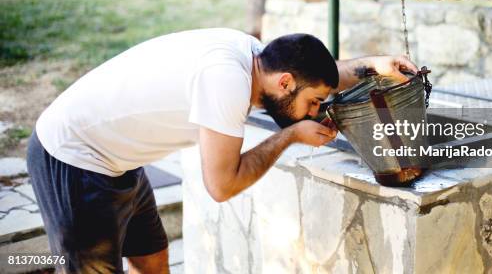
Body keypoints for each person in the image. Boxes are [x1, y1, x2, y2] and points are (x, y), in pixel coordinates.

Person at [27, 28, 418, 274]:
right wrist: (291, 136)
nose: (317, 110)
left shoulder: (253, 54)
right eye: (315, 102)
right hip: (74, 156)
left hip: (118, 157)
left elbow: (319, 74)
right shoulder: (226, 83)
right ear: (284, 83)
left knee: (153, 259)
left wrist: (374, 66)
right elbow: (221, 185)